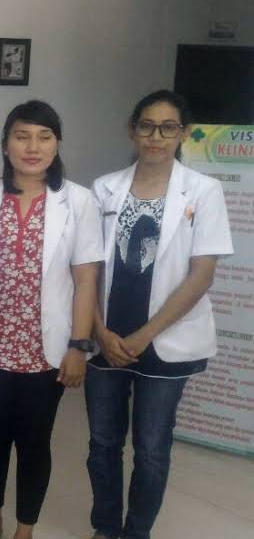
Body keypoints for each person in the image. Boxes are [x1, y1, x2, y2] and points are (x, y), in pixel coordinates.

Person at [86, 90, 232, 539]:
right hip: (105, 338)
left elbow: (201, 274)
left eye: (168, 128)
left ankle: (137, 532)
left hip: (165, 340)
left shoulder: (204, 191)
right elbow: (87, 269)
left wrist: (145, 334)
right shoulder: (103, 188)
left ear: (184, 133)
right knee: (102, 442)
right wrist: (99, 330)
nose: (156, 136)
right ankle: (105, 528)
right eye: (147, 126)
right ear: (132, 130)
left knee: (150, 448)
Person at [0, 101, 102, 539]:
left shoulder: (78, 200)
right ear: (5, 144)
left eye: (44, 137)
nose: (32, 147)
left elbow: (86, 279)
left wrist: (79, 345)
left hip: (47, 348)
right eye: (22, 136)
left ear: (57, 144)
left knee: (35, 439)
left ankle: (25, 530)